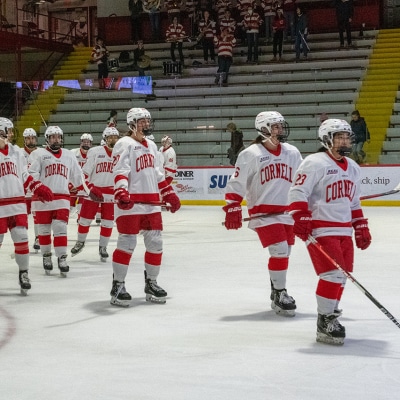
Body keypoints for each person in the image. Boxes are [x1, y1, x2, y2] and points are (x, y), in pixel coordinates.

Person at [288, 118, 371, 345]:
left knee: (343, 275)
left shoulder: (353, 167)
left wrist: (360, 225)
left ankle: (331, 314)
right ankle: (324, 321)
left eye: (347, 136)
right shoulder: (314, 162)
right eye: (339, 137)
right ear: (327, 139)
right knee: (331, 274)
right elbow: (297, 192)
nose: (345, 140)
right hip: (321, 228)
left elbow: (353, 202)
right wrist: (301, 215)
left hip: (344, 229)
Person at [223, 111, 302, 317]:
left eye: (280, 126)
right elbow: (237, 182)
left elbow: (303, 180)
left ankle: (276, 290)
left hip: (287, 212)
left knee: (285, 253)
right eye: (275, 126)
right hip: (264, 213)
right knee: (280, 250)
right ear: (264, 129)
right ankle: (280, 292)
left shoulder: (292, 152)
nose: (280, 130)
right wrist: (233, 204)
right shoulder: (251, 154)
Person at [110, 107, 181, 307]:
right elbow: (120, 170)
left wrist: (169, 193)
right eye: (142, 121)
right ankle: (118, 285)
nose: (146, 125)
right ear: (132, 123)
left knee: (156, 244)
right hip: (131, 203)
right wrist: (121, 191)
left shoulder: (151, 145)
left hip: (151, 204)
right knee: (127, 243)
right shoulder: (124, 143)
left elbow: (157, 174)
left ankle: (151, 282)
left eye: (148, 121)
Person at [28, 126, 100, 277]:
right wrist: (38, 188)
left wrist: (89, 190)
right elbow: (31, 175)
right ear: (47, 139)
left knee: (60, 228)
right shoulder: (38, 154)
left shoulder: (68, 155)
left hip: (61, 197)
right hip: (42, 198)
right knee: (44, 230)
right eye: (53, 137)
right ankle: (46, 256)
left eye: (58, 137)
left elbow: (77, 177)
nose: (56, 139)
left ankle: (62, 257)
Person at [0, 118, 53, 295]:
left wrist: (38, 187)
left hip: (17, 204)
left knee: (22, 239)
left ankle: (24, 274)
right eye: (9, 130)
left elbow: (24, 175)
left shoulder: (16, 152)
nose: (11, 134)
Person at [71, 127, 120, 262]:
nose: (113, 140)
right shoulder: (95, 152)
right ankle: (80, 242)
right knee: (84, 219)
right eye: (110, 137)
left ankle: (103, 247)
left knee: (108, 222)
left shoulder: (121, 153)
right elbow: (84, 174)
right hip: (93, 191)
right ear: (105, 139)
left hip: (111, 193)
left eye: (115, 137)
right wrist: (90, 188)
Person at [20, 128, 40, 253]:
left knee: (38, 217)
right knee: (22, 219)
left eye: (32, 138)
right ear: (24, 140)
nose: (30, 140)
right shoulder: (18, 153)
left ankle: (38, 238)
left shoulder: (41, 153)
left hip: (35, 190)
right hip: (21, 191)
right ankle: (22, 240)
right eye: (28, 138)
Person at [70, 133, 93, 217]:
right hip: (73, 183)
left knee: (82, 205)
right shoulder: (73, 153)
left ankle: (80, 216)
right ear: (80, 142)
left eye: (88, 142)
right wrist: (70, 183)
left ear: (91, 144)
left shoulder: (93, 154)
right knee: (69, 206)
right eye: (84, 142)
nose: (86, 143)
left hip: (86, 184)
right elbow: (69, 169)